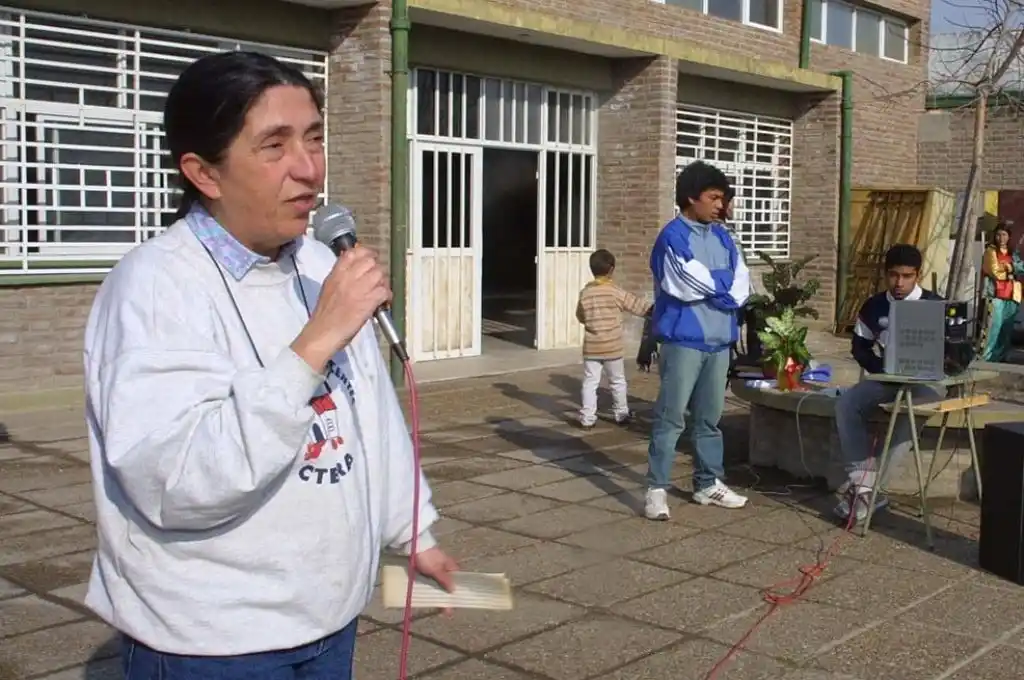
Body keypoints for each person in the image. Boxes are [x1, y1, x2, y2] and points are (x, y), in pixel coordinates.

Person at [82, 51, 457, 679]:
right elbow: (175, 483)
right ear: (204, 172)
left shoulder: (318, 264)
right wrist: (314, 344)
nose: (308, 169)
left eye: (313, 138)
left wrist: (412, 530)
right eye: (274, 146)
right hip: (213, 636)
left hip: (327, 616)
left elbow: (369, 414)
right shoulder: (153, 287)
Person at [645, 160, 751, 520]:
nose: (721, 205)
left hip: (719, 342)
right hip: (684, 341)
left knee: (709, 420)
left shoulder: (723, 237)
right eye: (714, 197)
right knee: (671, 418)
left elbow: (741, 284)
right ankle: (656, 489)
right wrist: (721, 289)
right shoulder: (672, 236)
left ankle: (708, 483)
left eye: (723, 198)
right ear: (692, 197)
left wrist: (721, 291)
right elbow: (686, 284)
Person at [834, 243, 944, 523]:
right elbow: (859, 348)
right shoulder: (874, 306)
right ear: (885, 274)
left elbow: (957, 351)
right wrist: (880, 368)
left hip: (926, 383)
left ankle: (868, 491)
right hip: (887, 379)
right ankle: (863, 482)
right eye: (893, 275)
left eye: (907, 276)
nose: (899, 283)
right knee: (847, 403)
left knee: (909, 414)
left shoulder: (936, 305)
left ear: (917, 275)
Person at [575, 249, 652, 428]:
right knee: (617, 381)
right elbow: (635, 305)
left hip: (592, 347)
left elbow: (580, 316)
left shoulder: (585, 293)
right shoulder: (614, 291)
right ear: (611, 270)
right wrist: (653, 311)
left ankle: (587, 418)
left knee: (589, 382)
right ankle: (621, 414)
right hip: (613, 347)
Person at [980, 222, 1024, 362]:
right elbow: (994, 272)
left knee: (1007, 329)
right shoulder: (990, 251)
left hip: (1012, 295)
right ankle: (987, 358)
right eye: (998, 234)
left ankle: (1001, 357)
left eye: (1004, 235)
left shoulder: (1012, 253)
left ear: (1009, 237)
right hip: (996, 295)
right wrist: (1011, 270)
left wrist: (1008, 267)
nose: (1001, 238)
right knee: (994, 328)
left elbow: (1021, 267)